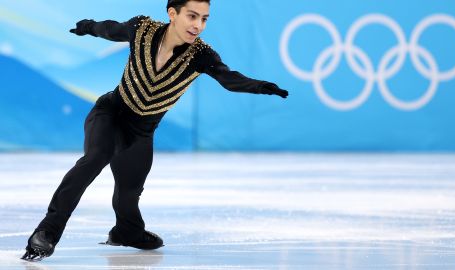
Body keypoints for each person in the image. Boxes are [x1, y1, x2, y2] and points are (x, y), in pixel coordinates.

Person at [21, 0, 288, 261]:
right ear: (173, 13)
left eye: (204, 19)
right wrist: (89, 26)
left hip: (141, 132)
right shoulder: (143, 29)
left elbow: (228, 78)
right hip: (111, 114)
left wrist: (260, 86)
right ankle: (46, 232)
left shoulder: (201, 55)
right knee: (94, 159)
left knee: (129, 191)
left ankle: (127, 232)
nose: (198, 25)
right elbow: (111, 29)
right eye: (192, 16)